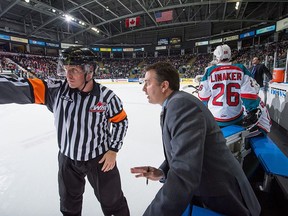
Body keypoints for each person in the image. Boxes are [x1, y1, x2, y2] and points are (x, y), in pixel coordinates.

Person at [0, 47, 130, 216]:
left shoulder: (107, 98)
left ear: (89, 71)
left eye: (74, 70)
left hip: (99, 159)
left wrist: (113, 149)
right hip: (68, 160)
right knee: (69, 207)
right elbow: (18, 88)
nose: (68, 75)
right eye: (66, 69)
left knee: (114, 204)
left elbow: (121, 122)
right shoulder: (56, 91)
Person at [130, 61, 261, 216]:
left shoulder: (180, 106)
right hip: (209, 188)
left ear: (164, 85)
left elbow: (184, 173)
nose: (143, 88)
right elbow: (186, 152)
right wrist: (162, 172)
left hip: (222, 194)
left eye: (147, 83)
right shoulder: (175, 103)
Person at [198, 44, 270, 133]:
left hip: (215, 116)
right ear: (229, 55)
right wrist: (251, 109)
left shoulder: (209, 71)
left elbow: (203, 96)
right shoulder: (241, 68)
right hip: (235, 116)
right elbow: (249, 94)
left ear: (217, 56)